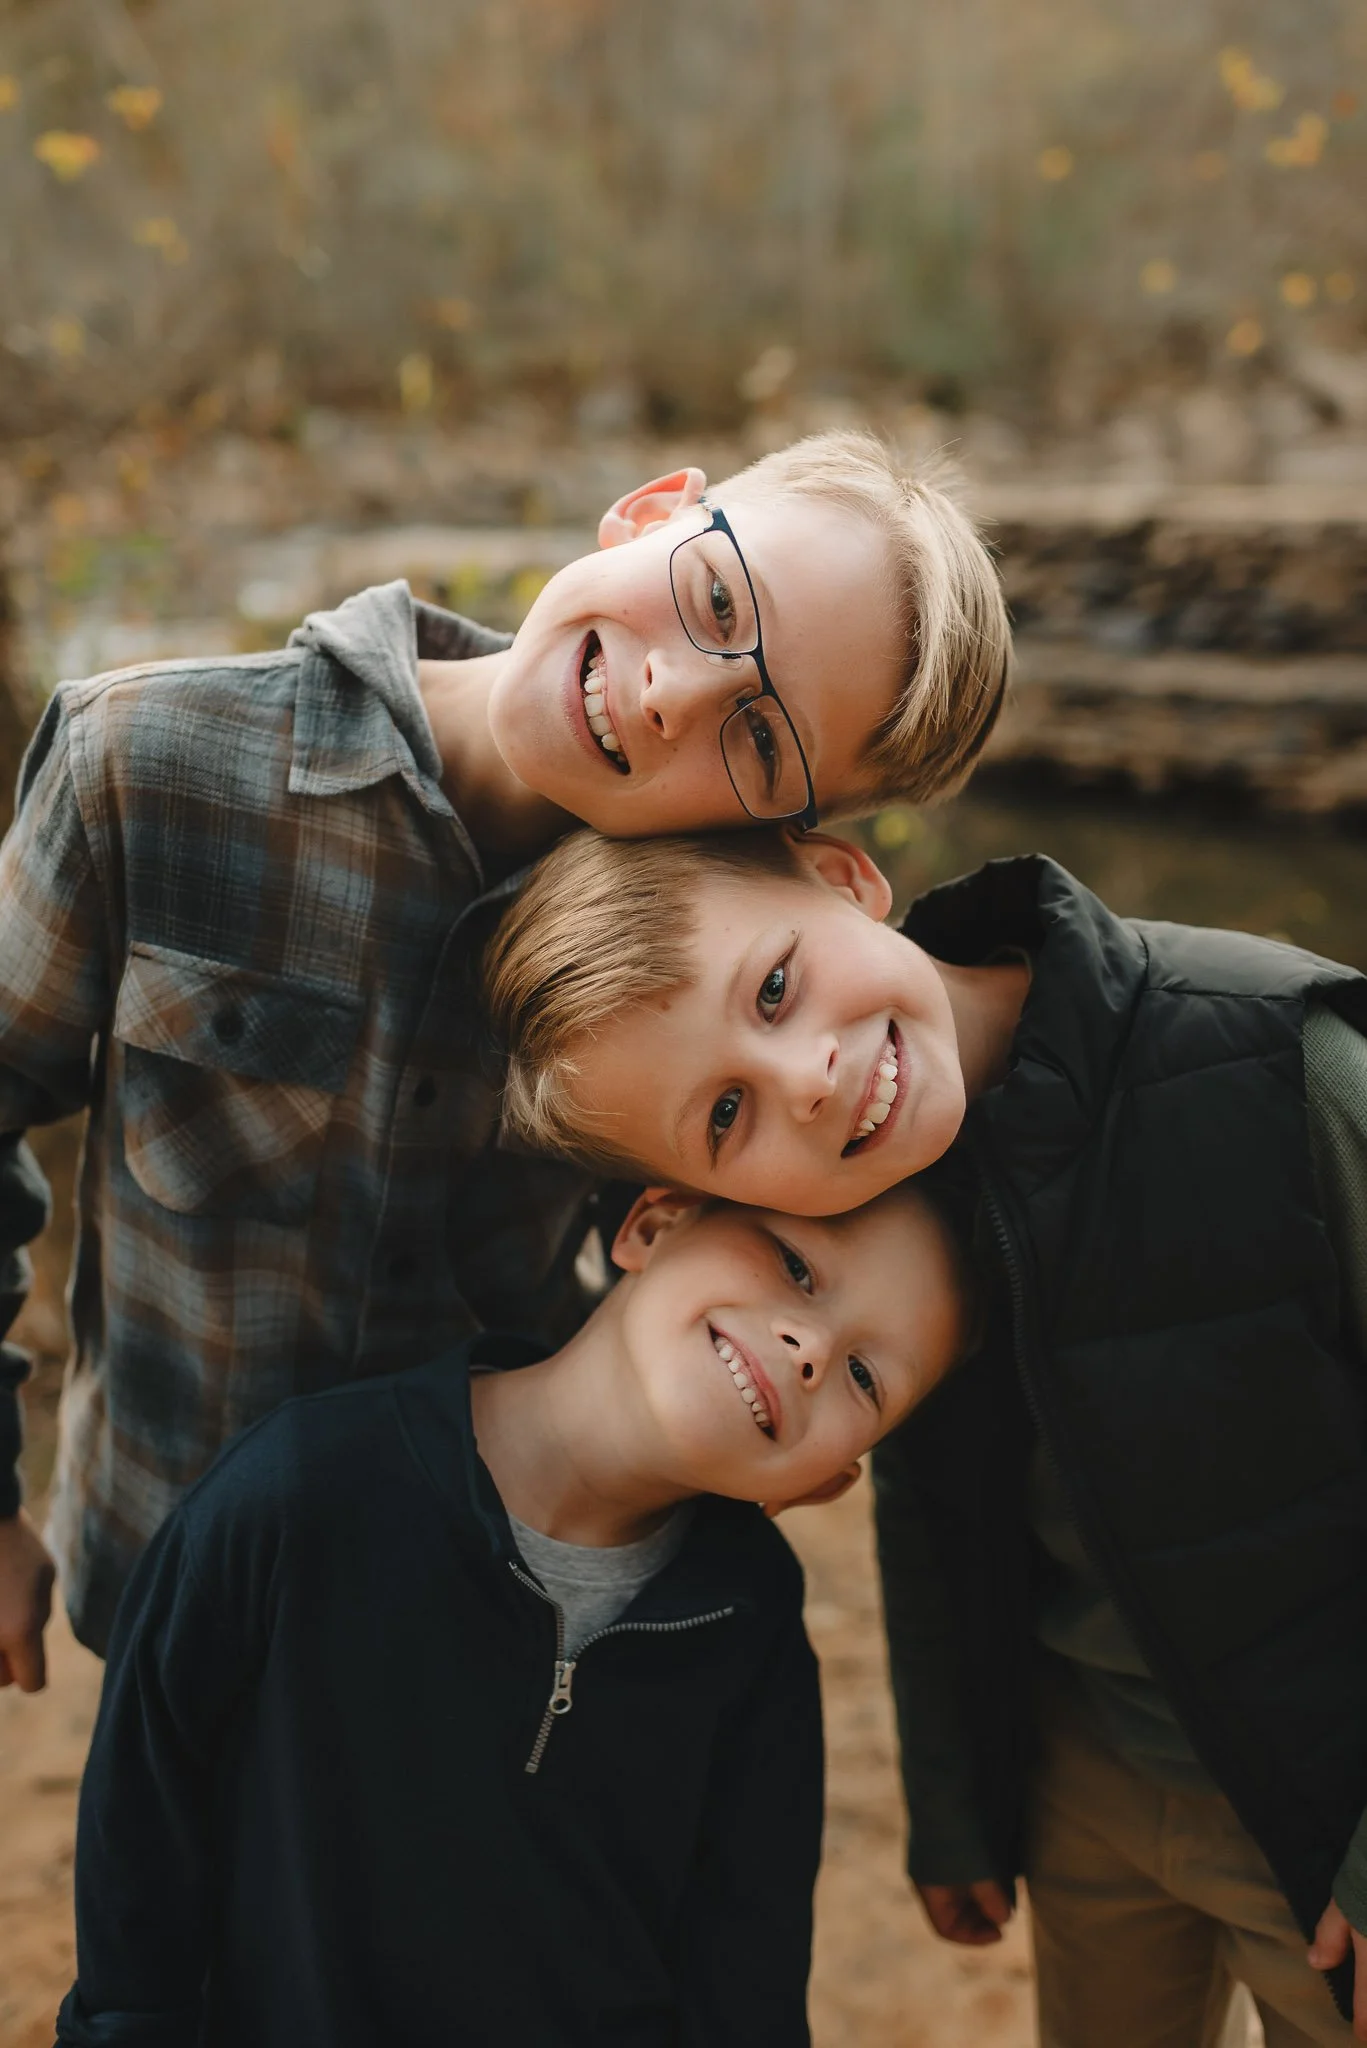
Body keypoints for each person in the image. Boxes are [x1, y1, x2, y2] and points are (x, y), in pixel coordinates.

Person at [0, 428, 1011, 1687]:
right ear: (651, 509)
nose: (672, 695)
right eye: (713, 601)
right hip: (163, 1566)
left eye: (757, 739)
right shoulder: (142, 759)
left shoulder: (708, 992)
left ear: (788, 827)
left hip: (483, 1602)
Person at [485, 823, 1367, 2045]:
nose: (803, 1078)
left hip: (1323, 1795)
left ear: (843, 874)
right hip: (1086, 1779)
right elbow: (935, 1495)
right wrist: (957, 1796)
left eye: (776, 985)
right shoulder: (856, 1210)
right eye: (727, 1110)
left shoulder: (1273, 1052)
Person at [54, 1178, 966, 2047]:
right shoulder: (296, 1491)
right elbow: (138, 1885)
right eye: (797, 1267)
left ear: (825, 1482)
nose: (811, 1349)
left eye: (863, 1377)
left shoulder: (750, 1617)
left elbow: (745, 1983)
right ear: (655, 1222)